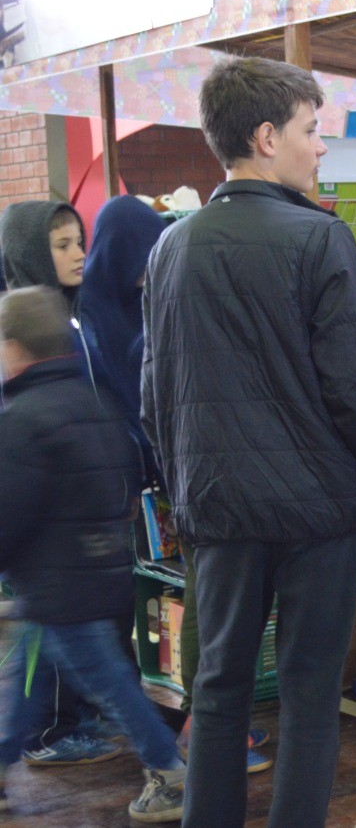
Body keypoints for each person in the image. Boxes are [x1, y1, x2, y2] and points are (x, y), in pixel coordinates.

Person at [141, 57, 356, 827]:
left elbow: (155, 394)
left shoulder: (170, 250)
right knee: (310, 695)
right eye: (312, 130)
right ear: (265, 135)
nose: (321, 148)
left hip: (217, 506)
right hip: (319, 508)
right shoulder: (322, 241)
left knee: (217, 689)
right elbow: (355, 387)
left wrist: (184, 486)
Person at [80, 196, 274, 773]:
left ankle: (194, 724)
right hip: (144, 490)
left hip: (170, 482)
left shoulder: (141, 309)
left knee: (195, 599)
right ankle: (196, 730)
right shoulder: (94, 322)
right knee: (195, 605)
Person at [0, 286, 185, 821]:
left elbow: (11, 510)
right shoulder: (94, 401)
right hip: (100, 572)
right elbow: (125, 479)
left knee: (109, 683)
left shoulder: (21, 419)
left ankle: (170, 772)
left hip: (57, 584)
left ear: (15, 349)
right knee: (32, 676)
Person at [0, 200, 125, 767]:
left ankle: (49, 726)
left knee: (56, 634)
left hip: (76, 506)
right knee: (46, 634)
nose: (79, 253)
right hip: (42, 513)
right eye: (62, 244)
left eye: (80, 240)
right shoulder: (20, 333)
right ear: (31, 251)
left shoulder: (77, 316)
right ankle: (48, 733)